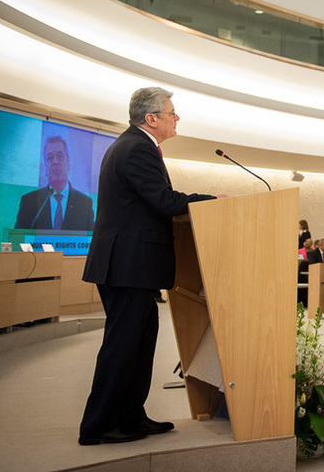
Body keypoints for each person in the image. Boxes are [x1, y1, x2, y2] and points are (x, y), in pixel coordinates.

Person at [79, 87, 216, 446]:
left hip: (133, 265)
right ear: (151, 118)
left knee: (139, 344)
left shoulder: (133, 145)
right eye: (172, 113)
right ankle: (98, 424)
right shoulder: (137, 147)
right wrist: (212, 202)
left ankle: (130, 416)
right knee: (122, 346)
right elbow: (162, 200)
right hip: (127, 265)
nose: (177, 118)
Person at [15, 135, 95, 231]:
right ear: (45, 166)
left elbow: (91, 240)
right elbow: (17, 240)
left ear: (68, 163)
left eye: (60, 156)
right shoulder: (29, 202)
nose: (55, 162)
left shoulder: (84, 203)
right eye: (50, 158)